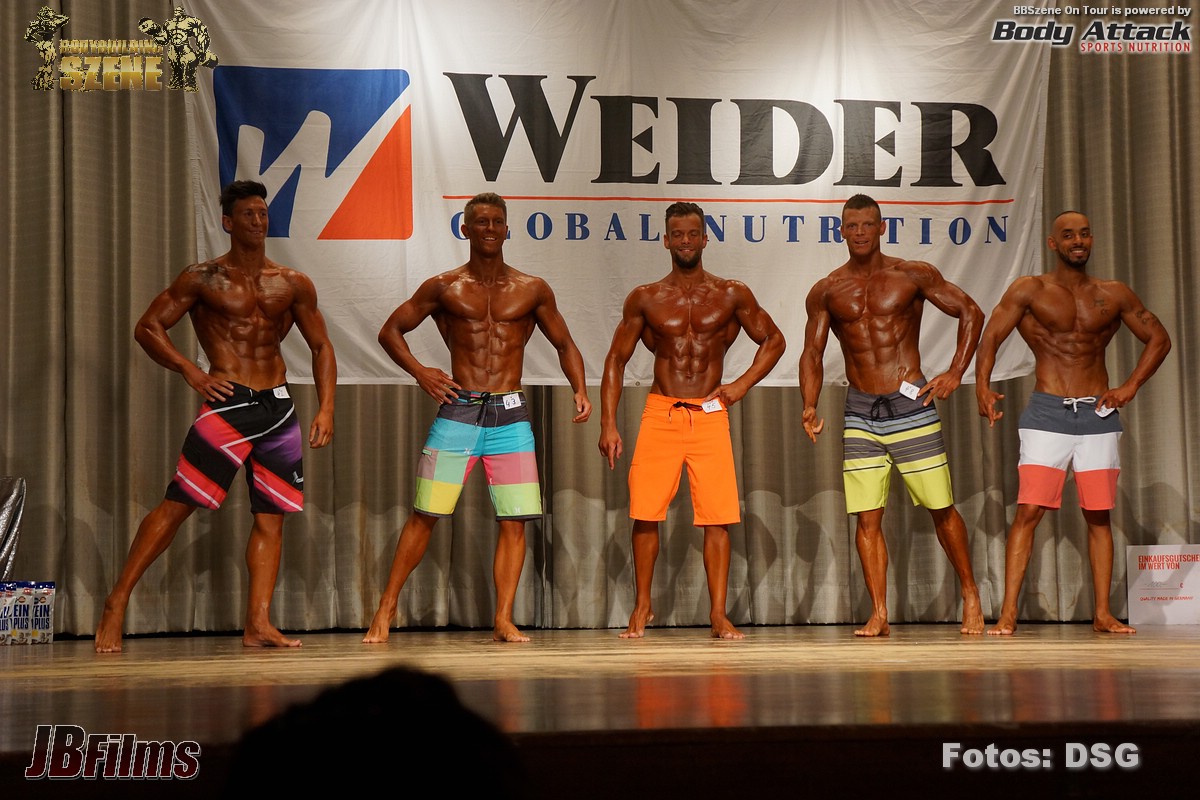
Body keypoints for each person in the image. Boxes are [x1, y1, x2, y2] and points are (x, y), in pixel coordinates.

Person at [94, 180, 337, 653]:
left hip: (278, 406)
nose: (258, 221)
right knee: (178, 504)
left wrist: (326, 407)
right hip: (228, 403)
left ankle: (258, 623)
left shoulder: (292, 282)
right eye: (248, 214)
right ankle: (116, 601)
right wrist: (191, 370)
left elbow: (322, 346)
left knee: (272, 517)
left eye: (262, 213)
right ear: (228, 222)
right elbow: (148, 327)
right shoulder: (202, 278)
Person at [363, 192, 591, 644]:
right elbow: (390, 331)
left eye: (497, 222)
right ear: (465, 229)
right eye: (481, 222)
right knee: (426, 513)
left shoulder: (532, 288)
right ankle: (386, 607)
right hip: (460, 410)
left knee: (514, 519)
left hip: (511, 414)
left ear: (507, 229)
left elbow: (565, 344)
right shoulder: (444, 287)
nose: (489, 229)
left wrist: (580, 389)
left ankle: (503, 618)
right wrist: (421, 372)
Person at [975, 211, 1171, 635]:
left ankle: (1102, 613)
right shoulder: (1030, 290)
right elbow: (990, 336)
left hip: (1098, 416)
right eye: (1068, 235)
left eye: (1084, 234)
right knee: (1029, 511)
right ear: (1053, 243)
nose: (1077, 241)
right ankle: (1008, 614)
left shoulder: (1113, 294)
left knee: (1098, 515)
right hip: (1047, 413)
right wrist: (983, 388)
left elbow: (1159, 338)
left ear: (1091, 239)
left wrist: (1130, 386)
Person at [799, 194, 984, 637]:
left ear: (883, 228)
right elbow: (812, 352)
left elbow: (970, 311)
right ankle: (879, 612)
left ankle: (971, 594)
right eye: (852, 226)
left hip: (910, 404)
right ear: (840, 231)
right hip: (860, 411)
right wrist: (809, 403)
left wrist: (956, 371)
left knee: (940, 506)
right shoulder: (827, 290)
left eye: (868, 224)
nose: (860, 232)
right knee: (866, 516)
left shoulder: (911, 274)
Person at [598, 201, 785, 640]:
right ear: (665, 240)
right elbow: (615, 360)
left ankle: (718, 615)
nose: (685, 241)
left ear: (705, 238)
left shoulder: (731, 294)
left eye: (692, 233)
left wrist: (740, 385)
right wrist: (608, 423)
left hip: (709, 413)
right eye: (677, 234)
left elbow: (774, 340)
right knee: (645, 513)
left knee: (717, 517)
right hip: (661, 411)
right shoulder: (645, 298)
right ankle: (643, 606)